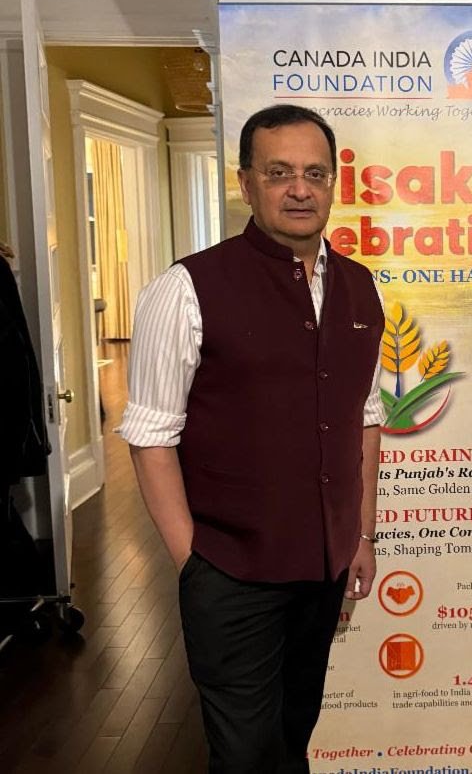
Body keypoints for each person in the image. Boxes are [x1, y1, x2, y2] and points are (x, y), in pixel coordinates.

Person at [120, 105, 384, 773]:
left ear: (333, 184)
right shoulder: (185, 289)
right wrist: (193, 564)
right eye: (279, 173)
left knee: (293, 735)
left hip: (324, 569)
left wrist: (361, 533)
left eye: (315, 173)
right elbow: (150, 435)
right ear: (245, 183)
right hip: (229, 572)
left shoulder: (360, 288)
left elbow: (365, 416)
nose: (300, 189)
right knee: (243, 755)